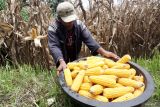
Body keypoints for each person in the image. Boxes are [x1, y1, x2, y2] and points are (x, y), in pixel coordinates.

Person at [48, 1, 119, 75]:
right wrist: (61, 61)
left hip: (74, 52)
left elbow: (89, 40)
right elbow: (54, 46)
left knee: (74, 70)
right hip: (61, 54)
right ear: (59, 19)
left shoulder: (79, 25)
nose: (71, 22)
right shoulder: (53, 28)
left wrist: (104, 52)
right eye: (67, 21)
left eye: (72, 19)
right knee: (63, 70)